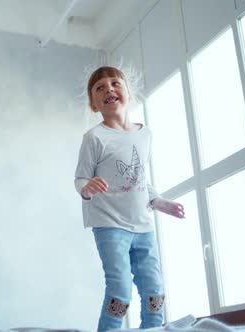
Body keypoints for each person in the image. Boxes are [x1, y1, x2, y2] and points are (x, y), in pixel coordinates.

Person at [74, 66, 185, 331]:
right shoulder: (94, 138)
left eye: (115, 83)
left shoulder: (144, 134)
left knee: (154, 290)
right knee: (120, 290)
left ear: (128, 93)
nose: (109, 89)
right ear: (93, 104)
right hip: (110, 226)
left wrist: (160, 202)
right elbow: (80, 178)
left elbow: (140, 181)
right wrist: (87, 187)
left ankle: (153, 329)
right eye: (100, 88)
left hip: (143, 226)